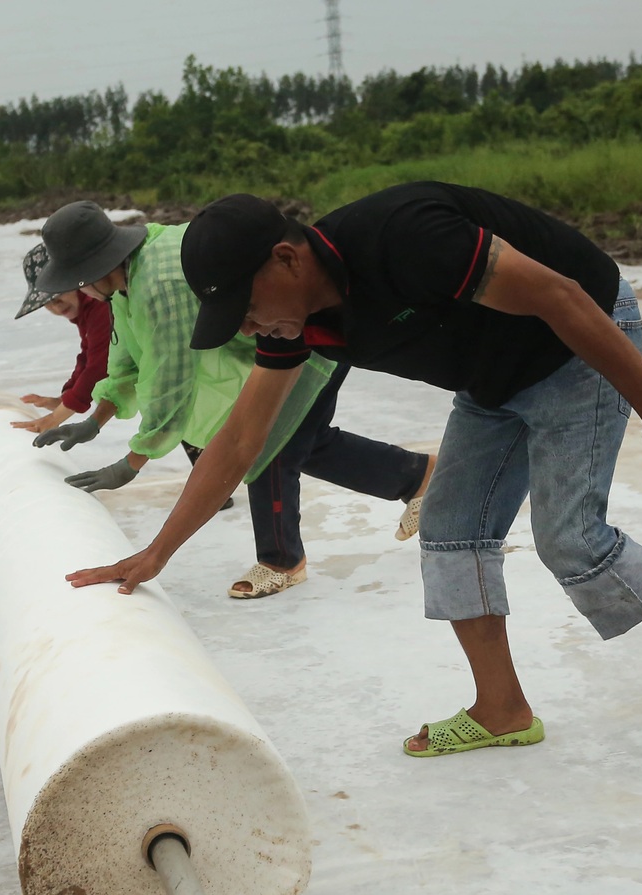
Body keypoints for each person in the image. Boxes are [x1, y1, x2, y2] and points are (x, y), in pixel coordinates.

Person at [66, 183, 642, 753]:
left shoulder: (404, 237)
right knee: (453, 530)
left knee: (570, 537)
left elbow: (560, 297)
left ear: (286, 260)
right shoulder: (296, 322)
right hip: (491, 385)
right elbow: (241, 441)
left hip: (579, 347)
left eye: (245, 308)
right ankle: (502, 710)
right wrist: (158, 551)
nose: (248, 329)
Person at [32, 200, 435, 600]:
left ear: (99, 266)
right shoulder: (122, 285)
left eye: (80, 280)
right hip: (270, 342)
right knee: (304, 441)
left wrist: (134, 459)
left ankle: (281, 561)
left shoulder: (158, 285)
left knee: (271, 446)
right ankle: (419, 477)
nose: (81, 289)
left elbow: (171, 377)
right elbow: (126, 359)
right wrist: (96, 418)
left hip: (292, 328)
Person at [12, 244, 113, 439]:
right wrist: (62, 400)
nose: (56, 306)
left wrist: (53, 419)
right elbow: (87, 357)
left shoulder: (100, 306)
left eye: (58, 295)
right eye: (46, 302)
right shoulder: (87, 312)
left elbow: (99, 368)